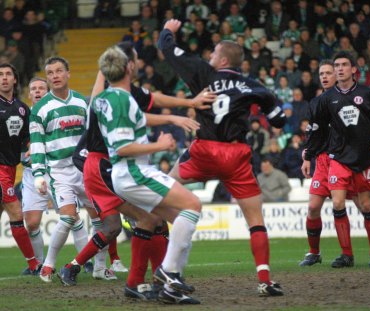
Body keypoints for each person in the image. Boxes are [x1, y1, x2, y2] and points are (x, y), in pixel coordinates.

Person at [59, 42, 214, 305]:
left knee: (155, 219)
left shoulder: (109, 98)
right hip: (118, 168)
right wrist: (161, 144)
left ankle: (149, 280)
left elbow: (146, 107)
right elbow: (122, 145)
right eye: (135, 59)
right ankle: (166, 275)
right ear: (130, 65)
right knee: (182, 209)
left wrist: (176, 115)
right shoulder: (119, 98)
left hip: (115, 168)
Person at [158, 19, 286, 297]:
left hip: (205, 150)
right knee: (255, 219)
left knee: (161, 189)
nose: (209, 56)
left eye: (214, 53)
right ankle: (264, 279)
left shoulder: (203, 73)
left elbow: (166, 49)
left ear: (223, 58)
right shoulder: (254, 85)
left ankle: (159, 265)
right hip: (236, 155)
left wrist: (169, 30)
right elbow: (279, 120)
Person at [303, 51, 370, 268]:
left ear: (353, 69)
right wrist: (308, 153)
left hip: (363, 158)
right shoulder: (325, 99)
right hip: (337, 158)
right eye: (337, 65)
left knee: (366, 205)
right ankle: (346, 254)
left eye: (343, 65)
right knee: (338, 203)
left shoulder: (367, 94)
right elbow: (317, 129)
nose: (340, 69)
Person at [29, 56, 111, 283]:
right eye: (50, 73)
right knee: (68, 217)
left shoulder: (82, 103)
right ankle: (48, 266)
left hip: (85, 170)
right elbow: (37, 144)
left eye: (58, 71)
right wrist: (38, 174)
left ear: (68, 73)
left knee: (101, 220)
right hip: (59, 173)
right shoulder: (40, 108)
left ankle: (100, 268)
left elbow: (93, 135)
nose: (55, 76)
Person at [0, 63, 41, 275]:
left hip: (10, 167)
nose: (4, 78)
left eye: (8, 74)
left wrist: (31, 147)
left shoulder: (23, 108)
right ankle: (35, 265)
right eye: (0, 75)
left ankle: (34, 264)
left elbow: (27, 137)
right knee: (16, 212)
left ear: (15, 79)